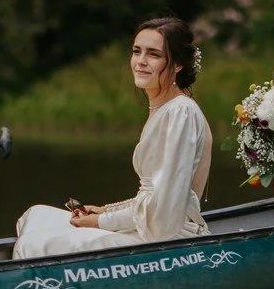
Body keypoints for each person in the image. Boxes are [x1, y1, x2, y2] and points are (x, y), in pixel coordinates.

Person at [13, 16, 212, 259]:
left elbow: (164, 213)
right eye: (137, 51)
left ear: (178, 64)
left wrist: (101, 221)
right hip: (150, 226)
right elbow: (151, 198)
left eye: (153, 54)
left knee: (36, 245)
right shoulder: (165, 109)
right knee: (37, 215)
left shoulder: (181, 112)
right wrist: (104, 210)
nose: (140, 61)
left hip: (166, 239)